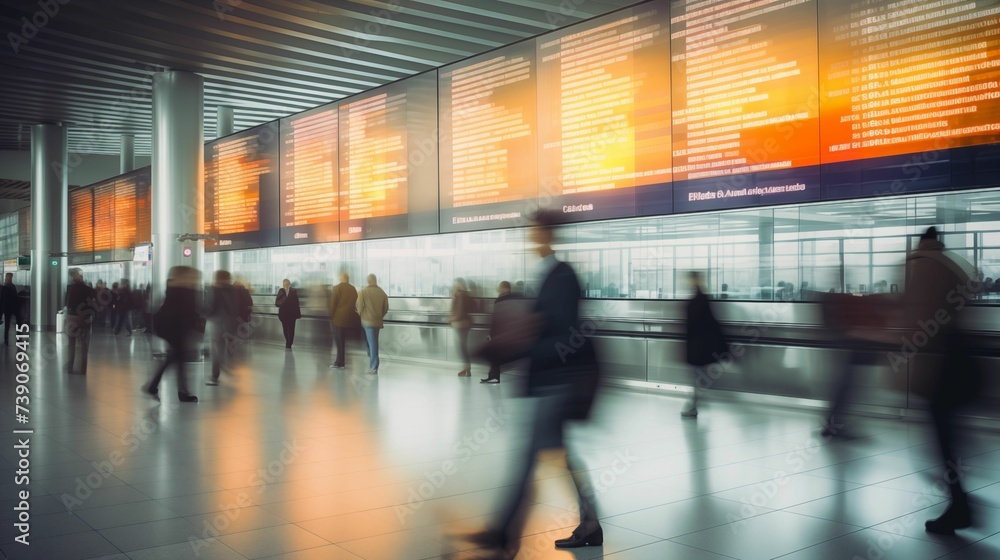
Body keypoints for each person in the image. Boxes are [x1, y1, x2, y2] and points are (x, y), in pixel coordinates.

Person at [465, 210, 602, 557]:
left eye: (535, 230)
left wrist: (517, 347)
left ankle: (504, 535)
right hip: (551, 381)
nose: (530, 236)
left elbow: (563, 334)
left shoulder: (562, 275)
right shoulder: (550, 274)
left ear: (546, 233)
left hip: (557, 383)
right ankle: (590, 524)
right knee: (561, 456)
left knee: (528, 460)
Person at [904, 227, 982, 535]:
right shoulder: (951, 263)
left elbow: (920, 318)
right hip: (961, 359)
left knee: (943, 438)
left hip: (940, 366)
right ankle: (960, 500)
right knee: (948, 434)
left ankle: (960, 505)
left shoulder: (923, 264)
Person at [145, 266, 201, 402]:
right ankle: (181, 392)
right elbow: (190, 313)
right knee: (178, 360)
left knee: (173, 359)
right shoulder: (187, 291)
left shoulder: (172, 288)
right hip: (178, 330)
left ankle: (154, 387)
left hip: (170, 329)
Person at [682, 271, 727, 418]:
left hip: (699, 346)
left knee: (697, 377)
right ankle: (696, 403)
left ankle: (694, 406)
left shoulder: (698, 300)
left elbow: (704, 324)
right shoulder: (702, 298)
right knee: (699, 377)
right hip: (701, 345)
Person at [206, 270, 240, 385]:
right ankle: (224, 366)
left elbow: (208, 306)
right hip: (230, 323)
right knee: (224, 348)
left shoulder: (213, 289)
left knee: (215, 350)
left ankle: (215, 375)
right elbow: (237, 306)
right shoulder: (234, 290)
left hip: (216, 323)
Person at [480, 280, 516, 384]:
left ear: (504, 288)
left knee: (494, 355)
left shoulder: (500, 300)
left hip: (499, 332)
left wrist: (491, 334)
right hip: (508, 331)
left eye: (500, 287)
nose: (499, 289)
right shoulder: (512, 299)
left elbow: (496, 319)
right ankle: (493, 376)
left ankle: (494, 377)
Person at [64, 269, 97, 374]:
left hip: (72, 318)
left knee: (71, 344)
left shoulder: (70, 289)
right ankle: (83, 369)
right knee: (84, 344)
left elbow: (67, 303)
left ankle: (70, 367)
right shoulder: (89, 290)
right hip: (85, 319)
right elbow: (94, 305)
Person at [357, 273, 388, 374]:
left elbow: (359, 306)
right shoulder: (382, 293)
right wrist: (380, 316)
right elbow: (386, 308)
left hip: (366, 321)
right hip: (377, 321)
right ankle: (372, 357)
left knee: (372, 343)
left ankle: (373, 366)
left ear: (368, 281)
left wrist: (361, 315)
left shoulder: (363, 291)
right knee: (372, 342)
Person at [329, 272, 358, 369]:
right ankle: (342, 362)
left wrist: (331, 315)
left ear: (341, 278)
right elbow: (355, 303)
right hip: (349, 318)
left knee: (339, 341)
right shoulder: (353, 289)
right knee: (343, 342)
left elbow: (333, 304)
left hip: (338, 319)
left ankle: (339, 363)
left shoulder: (337, 288)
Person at [451, 278, 474, 377]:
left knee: (462, 347)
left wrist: (452, 318)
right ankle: (466, 368)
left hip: (461, 323)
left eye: (457, 284)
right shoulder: (464, 294)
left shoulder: (460, 295)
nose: (456, 285)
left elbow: (459, 311)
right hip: (465, 323)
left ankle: (467, 368)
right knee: (462, 347)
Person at [275, 278, 301, 349]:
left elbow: (296, 302)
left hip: (292, 314)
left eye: (286, 284)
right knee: (285, 328)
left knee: (291, 328)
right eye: (284, 285)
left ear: (289, 284)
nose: (285, 286)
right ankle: (287, 341)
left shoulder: (293, 291)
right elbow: (277, 302)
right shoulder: (281, 291)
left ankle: (290, 342)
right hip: (283, 314)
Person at [1, 272, 22, 345]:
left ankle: (14, 338)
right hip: (9, 308)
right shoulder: (6, 287)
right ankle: (7, 339)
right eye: (10, 277)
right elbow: (3, 299)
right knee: (8, 324)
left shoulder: (10, 286)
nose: (10, 278)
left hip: (11, 308)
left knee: (11, 323)